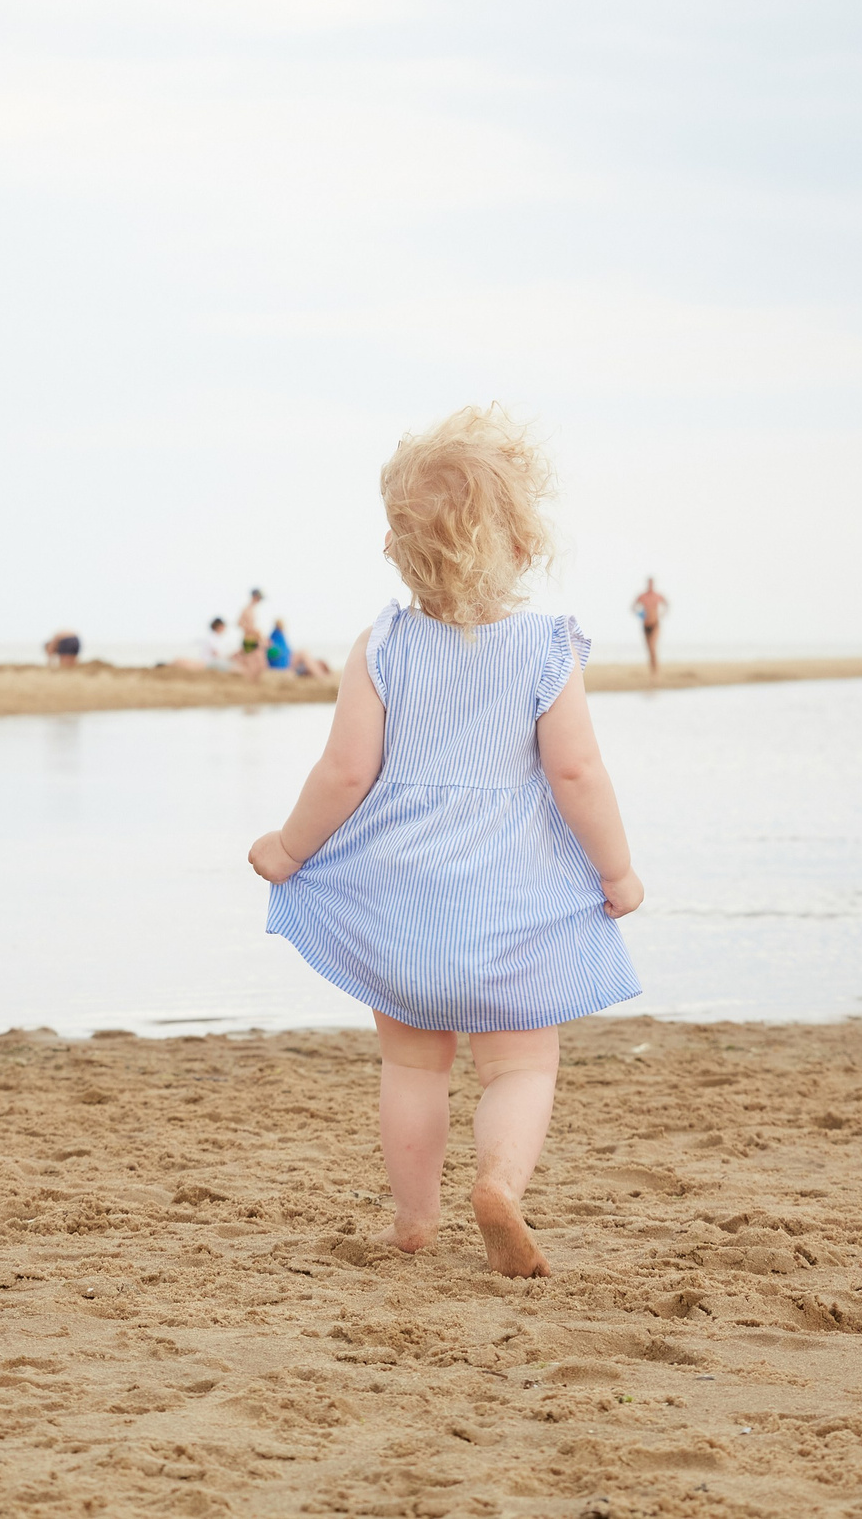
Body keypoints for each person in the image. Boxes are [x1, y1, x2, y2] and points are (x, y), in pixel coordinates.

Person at [247, 405, 643, 1279]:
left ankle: (416, 1219)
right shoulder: (546, 649)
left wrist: (288, 849)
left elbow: (344, 773)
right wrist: (616, 872)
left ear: (399, 544)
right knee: (520, 1065)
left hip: (402, 904)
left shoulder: (382, 646)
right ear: (523, 539)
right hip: (516, 907)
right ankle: (499, 1186)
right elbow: (577, 776)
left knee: (412, 1066)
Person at [630, 577, 669, 677]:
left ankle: (655, 671)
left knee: (652, 647)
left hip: (655, 624)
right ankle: (652, 670)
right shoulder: (643, 596)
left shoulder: (657, 596)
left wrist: (663, 613)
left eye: (652, 583)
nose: (650, 585)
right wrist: (639, 614)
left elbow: (666, 604)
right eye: (649, 583)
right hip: (645, 625)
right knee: (649, 649)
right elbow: (633, 606)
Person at [236, 588, 269, 681]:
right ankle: (251, 682)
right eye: (259, 598)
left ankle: (254, 682)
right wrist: (251, 630)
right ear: (254, 597)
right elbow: (239, 623)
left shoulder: (252, 609)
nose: (259, 601)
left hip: (253, 638)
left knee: (260, 663)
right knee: (254, 663)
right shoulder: (247, 609)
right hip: (249, 639)